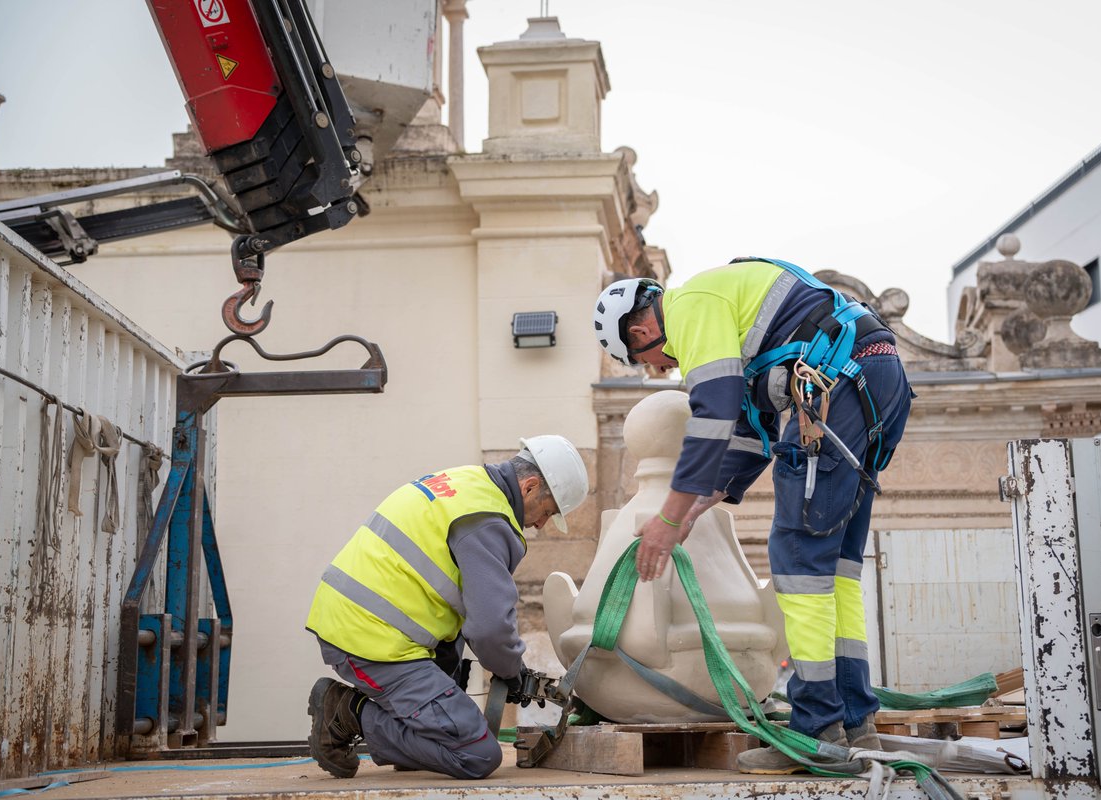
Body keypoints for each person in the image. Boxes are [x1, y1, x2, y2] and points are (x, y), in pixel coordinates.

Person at [592, 257, 913, 771]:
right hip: (875, 376)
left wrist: (670, 518)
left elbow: (713, 409)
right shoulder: (736, 315)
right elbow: (751, 430)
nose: (667, 367)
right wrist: (701, 504)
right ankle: (856, 725)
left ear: (642, 327)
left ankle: (815, 733)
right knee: (835, 567)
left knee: (797, 560)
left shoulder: (689, 305)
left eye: (653, 358)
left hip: (834, 383)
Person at [304, 435, 589, 780]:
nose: (541, 525)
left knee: (445, 709)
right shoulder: (489, 521)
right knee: (476, 754)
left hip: (360, 619)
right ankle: (346, 711)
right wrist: (513, 673)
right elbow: (490, 629)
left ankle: (414, 740)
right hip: (368, 639)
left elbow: (464, 605)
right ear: (529, 487)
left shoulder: (467, 483)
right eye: (547, 512)